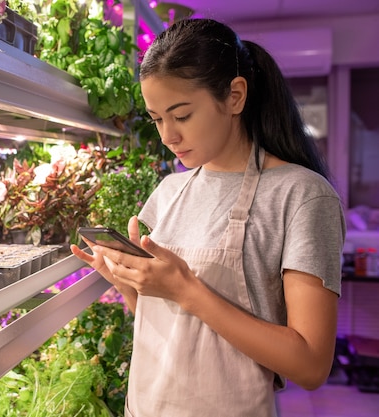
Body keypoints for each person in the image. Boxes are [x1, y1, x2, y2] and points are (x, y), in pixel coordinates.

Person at [71, 18, 345, 417]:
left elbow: (311, 365)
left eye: (181, 115)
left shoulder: (301, 195)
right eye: (157, 118)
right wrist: (131, 282)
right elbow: (175, 328)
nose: (168, 136)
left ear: (235, 96)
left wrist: (186, 289)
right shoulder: (169, 192)